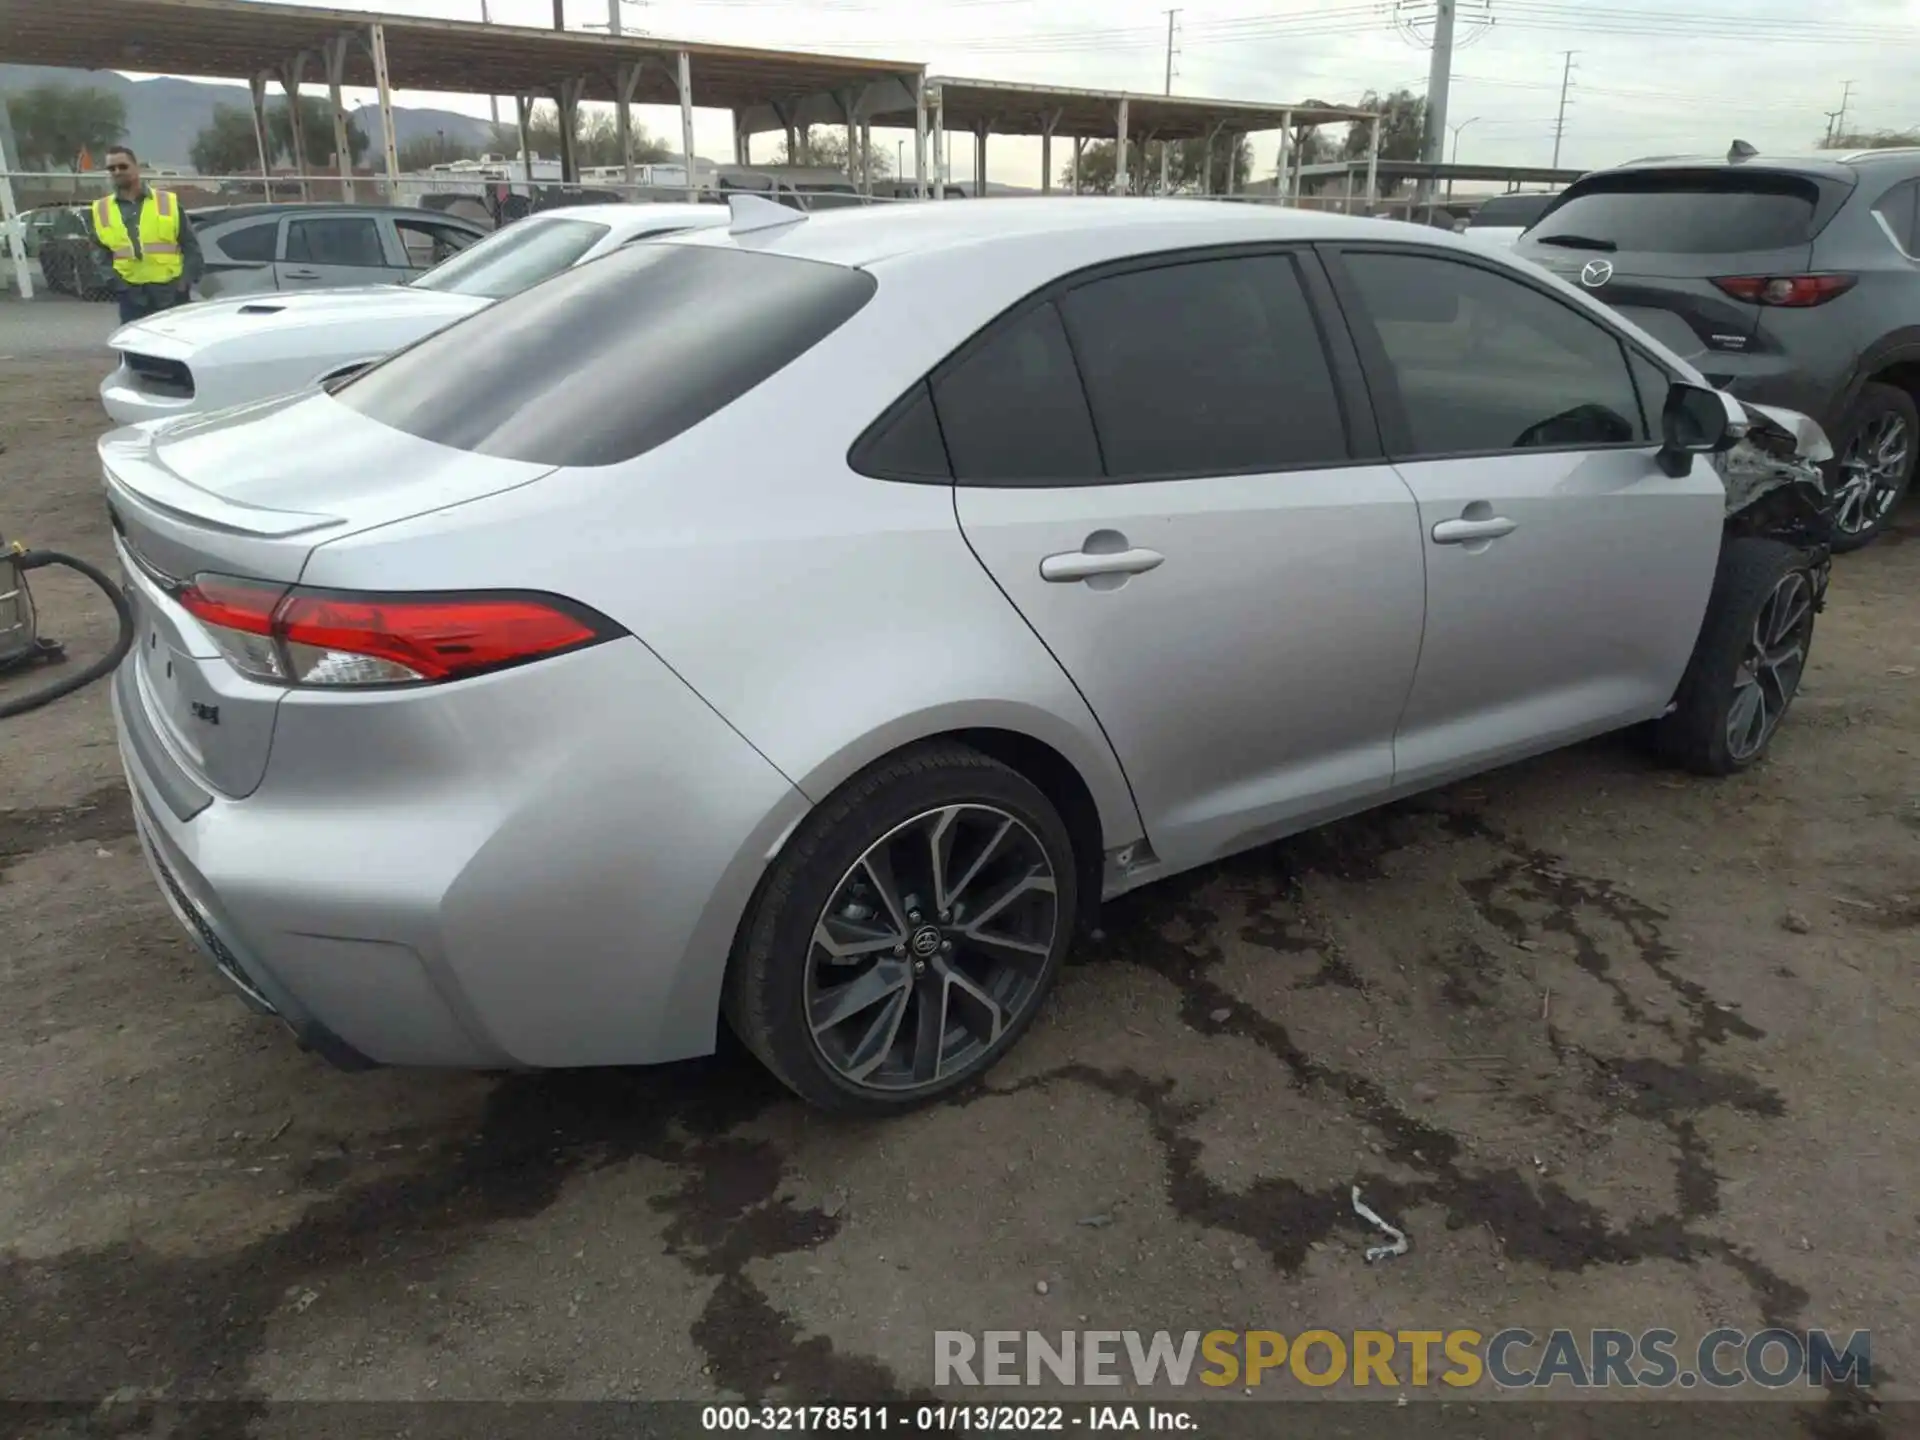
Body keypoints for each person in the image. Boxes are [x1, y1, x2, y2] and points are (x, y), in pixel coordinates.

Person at [88, 145, 203, 324]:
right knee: (135, 348)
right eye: (111, 168)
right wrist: (118, 285)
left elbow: (191, 246)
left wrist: (184, 283)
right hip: (131, 295)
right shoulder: (101, 209)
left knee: (172, 348)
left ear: (136, 168)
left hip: (170, 293)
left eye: (123, 166)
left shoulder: (167, 202)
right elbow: (99, 253)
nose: (117, 172)